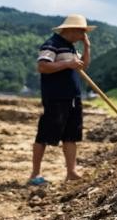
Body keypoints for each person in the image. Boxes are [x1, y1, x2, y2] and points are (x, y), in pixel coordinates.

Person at [30, 14, 93, 185]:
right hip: (56, 97)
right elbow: (42, 66)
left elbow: (83, 66)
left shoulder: (71, 47)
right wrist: (67, 64)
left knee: (71, 136)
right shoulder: (52, 44)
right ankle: (35, 174)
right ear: (71, 30)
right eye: (81, 32)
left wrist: (87, 47)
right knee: (44, 134)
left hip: (73, 97)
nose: (83, 35)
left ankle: (71, 172)